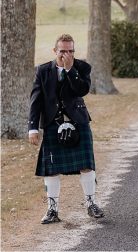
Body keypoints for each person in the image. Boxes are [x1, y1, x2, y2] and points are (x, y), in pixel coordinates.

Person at [29, 34, 104, 224]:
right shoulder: (43, 70)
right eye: (62, 51)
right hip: (53, 124)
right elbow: (36, 100)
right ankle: (52, 210)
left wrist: (70, 70)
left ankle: (91, 204)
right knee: (51, 169)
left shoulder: (82, 67)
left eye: (70, 51)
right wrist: (33, 128)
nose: (66, 54)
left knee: (87, 164)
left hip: (78, 121)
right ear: (55, 51)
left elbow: (82, 90)